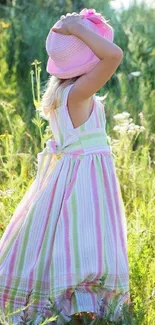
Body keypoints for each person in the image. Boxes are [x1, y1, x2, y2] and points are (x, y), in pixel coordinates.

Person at [0, 8, 130, 325]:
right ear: (87, 58)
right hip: (86, 177)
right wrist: (76, 28)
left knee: (65, 237)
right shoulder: (78, 92)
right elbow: (114, 56)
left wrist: (75, 30)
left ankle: (74, 305)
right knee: (85, 238)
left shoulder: (65, 91)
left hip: (76, 171)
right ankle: (81, 304)